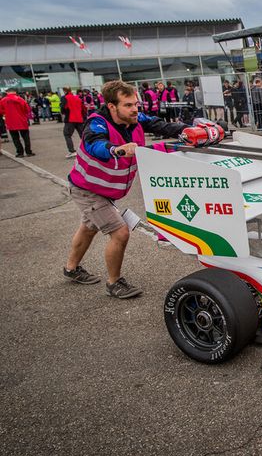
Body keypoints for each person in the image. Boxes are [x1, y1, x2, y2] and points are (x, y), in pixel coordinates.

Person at [62, 80, 193, 299]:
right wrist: (115, 149)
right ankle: (114, 283)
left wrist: (189, 130)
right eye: (128, 105)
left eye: (136, 104)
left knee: (89, 227)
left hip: (103, 189)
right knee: (120, 232)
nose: (135, 110)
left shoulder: (135, 119)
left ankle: (71, 269)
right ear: (112, 106)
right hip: (87, 189)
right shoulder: (97, 124)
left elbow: (160, 125)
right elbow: (95, 144)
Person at [0, 88, 35, 157]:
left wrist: (6, 113)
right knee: (26, 137)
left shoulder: (3, 100)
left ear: (7, 92)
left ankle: (20, 153)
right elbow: (27, 109)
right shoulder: (20, 99)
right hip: (22, 120)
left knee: (15, 138)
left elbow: (1, 111)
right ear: (15, 92)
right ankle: (28, 152)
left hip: (11, 122)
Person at [61, 86, 86, 158]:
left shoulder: (65, 98)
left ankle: (72, 151)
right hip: (79, 118)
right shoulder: (77, 98)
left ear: (65, 91)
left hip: (70, 119)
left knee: (67, 134)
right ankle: (87, 149)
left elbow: (63, 107)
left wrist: (64, 113)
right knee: (83, 135)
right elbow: (83, 108)